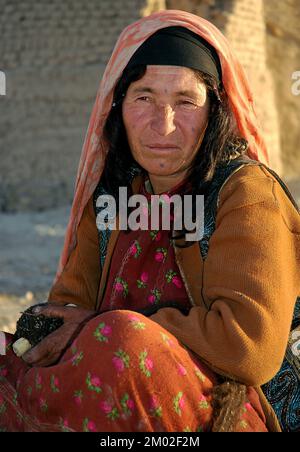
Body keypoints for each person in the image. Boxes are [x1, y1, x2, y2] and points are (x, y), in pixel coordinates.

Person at [0, 10, 299, 433]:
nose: (165, 124)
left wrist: (104, 327)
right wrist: (51, 327)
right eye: (144, 98)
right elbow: (68, 309)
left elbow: (248, 348)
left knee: (123, 341)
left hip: (223, 410)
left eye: (185, 101)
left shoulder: (244, 193)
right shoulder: (113, 198)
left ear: (215, 109)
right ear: (118, 107)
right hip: (110, 381)